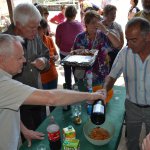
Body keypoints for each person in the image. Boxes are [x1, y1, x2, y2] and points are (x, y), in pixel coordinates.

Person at [0, 34, 105, 150]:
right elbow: (52, 98)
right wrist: (90, 95)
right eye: (19, 58)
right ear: (1, 59)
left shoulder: (5, 79)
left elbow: (10, 106)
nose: (24, 61)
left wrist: (24, 130)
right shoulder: (3, 84)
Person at [102, 17, 150, 150]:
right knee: (132, 140)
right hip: (132, 107)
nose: (128, 44)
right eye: (127, 39)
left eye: (133, 40)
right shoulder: (125, 53)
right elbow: (111, 76)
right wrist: (105, 89)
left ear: (148, 37)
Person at [5, 3, 50, 139]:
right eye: (32, 27)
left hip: (38, 95)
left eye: (37, 27)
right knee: (28, 138)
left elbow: (46, 54)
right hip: (18, 104)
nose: (36, 31)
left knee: (43, 129)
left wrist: (44, 61)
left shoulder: (34, 35)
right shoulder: (4, 44)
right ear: (18, 25)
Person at [73, 10, 120, 86]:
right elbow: (73, 53)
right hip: (85, 75)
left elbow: (117, 44)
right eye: (93, 23)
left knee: (101, 96)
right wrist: (82, 52)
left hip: (102, 75)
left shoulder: (103, 35)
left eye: (98, 22)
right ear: (86, 24)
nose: (96, 25)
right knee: (86, 96)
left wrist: (105, 30)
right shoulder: (80, 37)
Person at [56, 5, 84, 89]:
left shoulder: (60, 26)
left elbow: (57, 42)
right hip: (76, 53)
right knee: (76, 71)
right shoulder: (79, 25)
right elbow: (82, 41)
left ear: (66, 14)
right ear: (75, 14)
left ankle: (68, 87)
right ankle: (77, 86)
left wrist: (63, 48)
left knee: (67, 71)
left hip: (64, 53)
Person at [38, 18, 59, 112]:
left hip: (53, 75)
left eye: (42, 29)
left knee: (53, 102)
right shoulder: (31, 43)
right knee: (42, 103)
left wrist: (55, 57)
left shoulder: (49, 39)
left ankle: (53, 119)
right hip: (41, 79)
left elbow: (56, 54)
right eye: (39, 29)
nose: (41, 32)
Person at [102, 4, 124, 70]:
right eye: (111, 13)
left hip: (115, 54)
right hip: (103, 55)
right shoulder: (100, 26)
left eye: (114, 14)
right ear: (105, 14)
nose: (114, 16)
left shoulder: (118, 26)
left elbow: (121, 42)